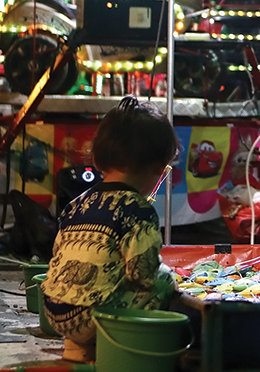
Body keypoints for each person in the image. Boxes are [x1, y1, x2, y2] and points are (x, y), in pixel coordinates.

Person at [42, 96, 180, 362]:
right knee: (164, 281)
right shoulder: (138, 210)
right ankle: (123, 348)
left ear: (97, 159)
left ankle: (77, 346)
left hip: (55, 311)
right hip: (93, 318)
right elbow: (143, 275)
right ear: (158, 167)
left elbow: (59, 254)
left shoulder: (77, 204)